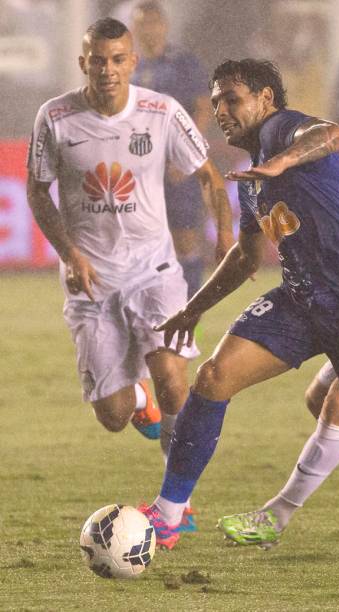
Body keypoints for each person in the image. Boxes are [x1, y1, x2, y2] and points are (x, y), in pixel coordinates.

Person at [139, 58, 339, 560]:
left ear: (266, 100)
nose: (223, 108)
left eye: (234, 98)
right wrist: (192, 309)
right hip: (305, 298)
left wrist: (284, 162)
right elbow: (247, 256)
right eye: (218, 98)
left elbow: (332, 133)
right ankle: (169, 515)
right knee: (213, 377)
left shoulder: (283, 130)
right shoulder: (250, 175)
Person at [26, 18, 233, 506]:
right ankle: (137, 401)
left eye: (118, 59)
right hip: (91, 281)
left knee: (172, 378)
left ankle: (174, 504)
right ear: (84, 63)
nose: (108, 69)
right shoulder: (55, 118)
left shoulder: (161, 112)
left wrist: (223, 234)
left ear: (132, 62)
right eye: (98, 60)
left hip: (155, 271)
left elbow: (208, 176)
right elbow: (37, 191)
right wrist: (70, 254)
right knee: (113, 415)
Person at [130, 0, 213, 298]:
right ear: (134, 28)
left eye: (153, 22)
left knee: (185, 239)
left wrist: (185, 154)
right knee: (144, 242)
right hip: (141, 169)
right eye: (141, 23)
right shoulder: (129, 66)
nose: (148, 29)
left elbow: (203, 108)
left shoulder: (182, 63)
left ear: (164, 26)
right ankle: (154, 316)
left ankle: (190, 316)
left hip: (178, 167)